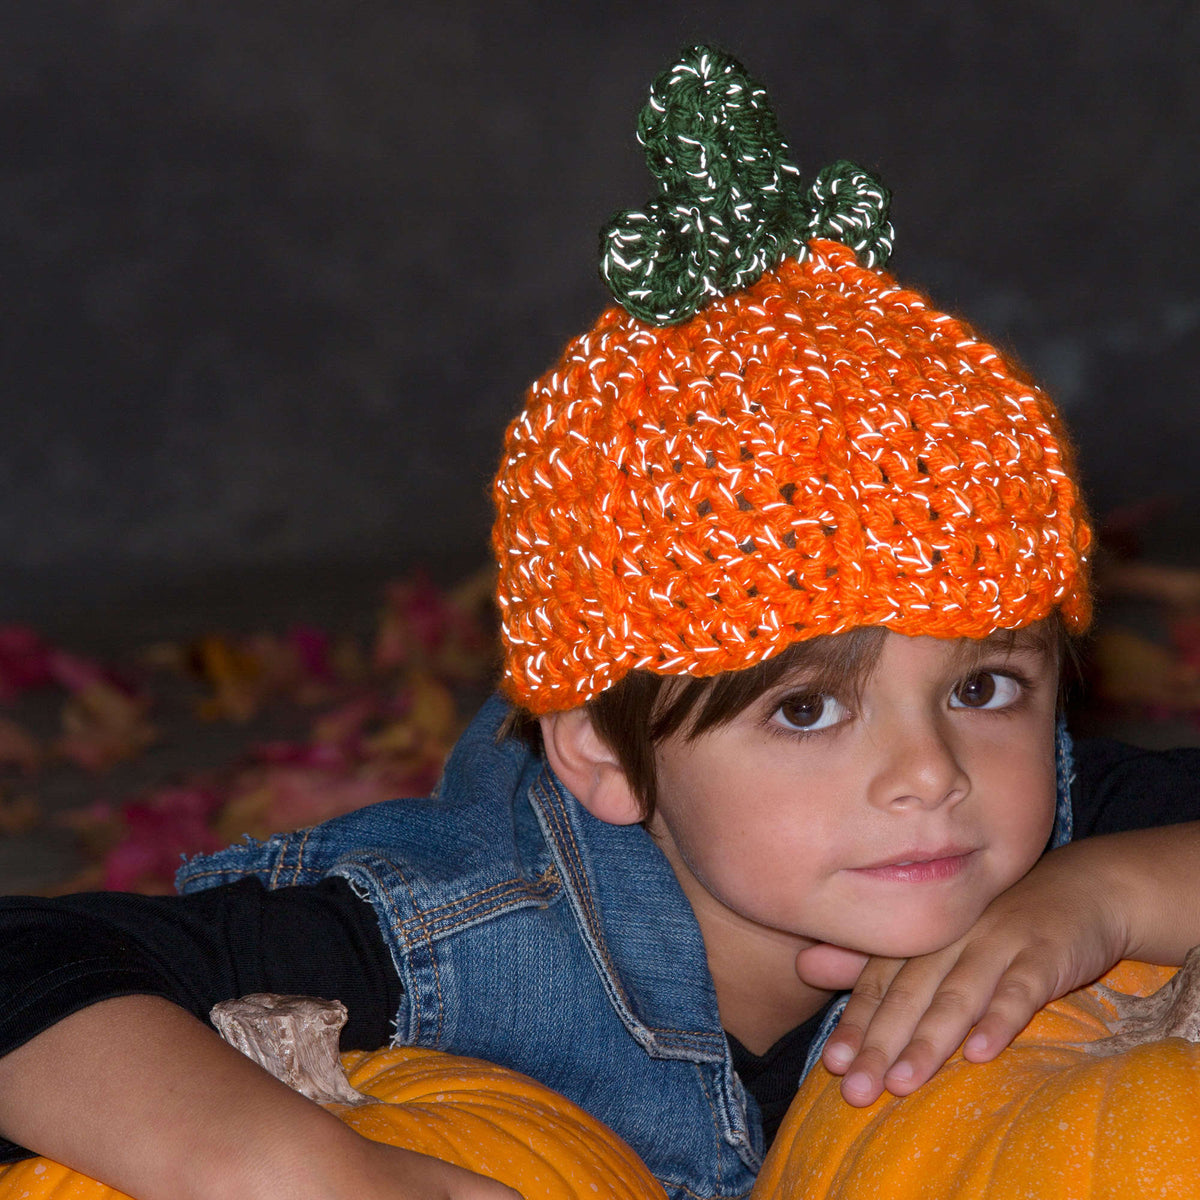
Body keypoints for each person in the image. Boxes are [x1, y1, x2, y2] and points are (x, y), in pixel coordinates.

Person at [1, 44, 1198, 1200]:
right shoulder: (454, 934)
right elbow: (26, 965)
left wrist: (1103, 898)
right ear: (607, 755)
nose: (931, 773)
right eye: (807, 709)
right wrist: (257, 1161)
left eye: (984, 686)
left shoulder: (1034, 832)